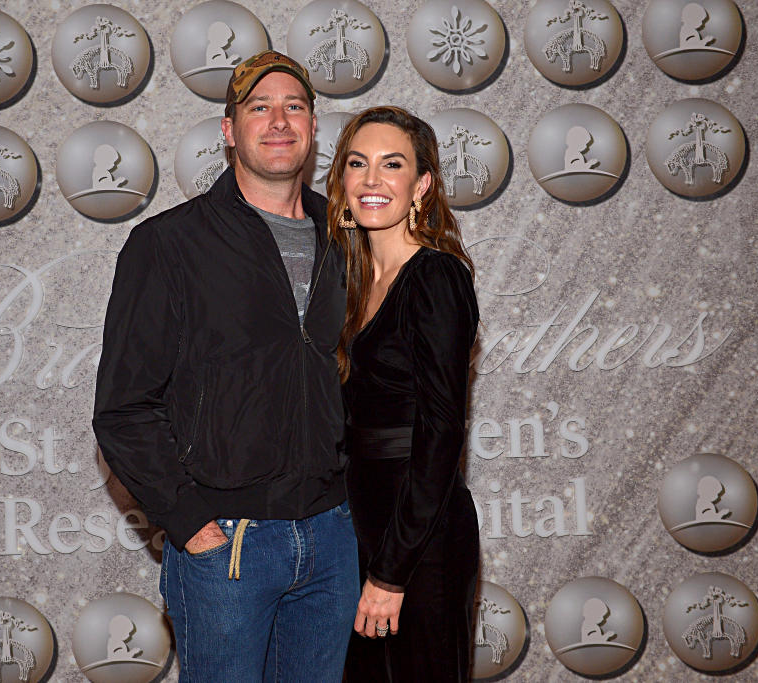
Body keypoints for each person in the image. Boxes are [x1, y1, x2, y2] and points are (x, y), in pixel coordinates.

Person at [92, 50, 358, 682]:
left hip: (332, 539)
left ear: (314, 128)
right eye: (258, 107)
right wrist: (190, 523)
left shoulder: (347, 236)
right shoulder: (169, 244)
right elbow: (123, 409)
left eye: (294, 106)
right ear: (229, 130)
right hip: (228, 549)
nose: (278, 120)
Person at [325, 106, 480, 682]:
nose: (371, 180)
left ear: (421, 185)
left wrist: (391, 573)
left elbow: (441, 434)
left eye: (392, 165)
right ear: (341, 180)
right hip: (361, 530)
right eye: (357, 164)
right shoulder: (352, 282)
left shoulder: (437, 277)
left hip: (420, 541)